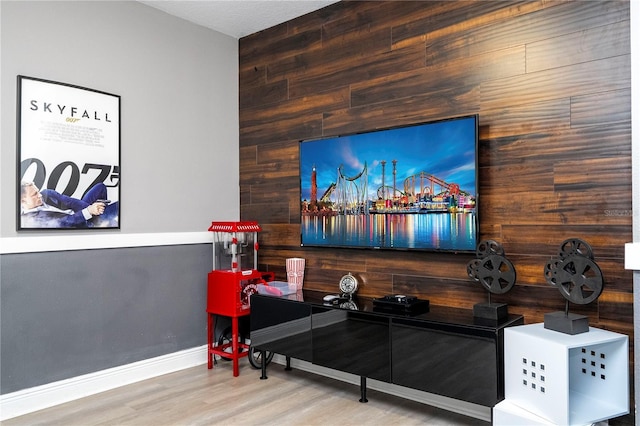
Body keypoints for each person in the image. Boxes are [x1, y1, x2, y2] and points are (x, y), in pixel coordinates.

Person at [20, 181, 118, 228]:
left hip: (82, 212)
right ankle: (100, 223)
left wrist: (92, 211)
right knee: (120, 206)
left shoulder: (47, 194)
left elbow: (70, 202)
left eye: (37, 191)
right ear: (23, 201)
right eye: (34, 194)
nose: (39, 195)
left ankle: (101, 221)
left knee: (100, 187)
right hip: (80, 224)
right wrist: (89, 212)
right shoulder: (31, 221)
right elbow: (65, 222)